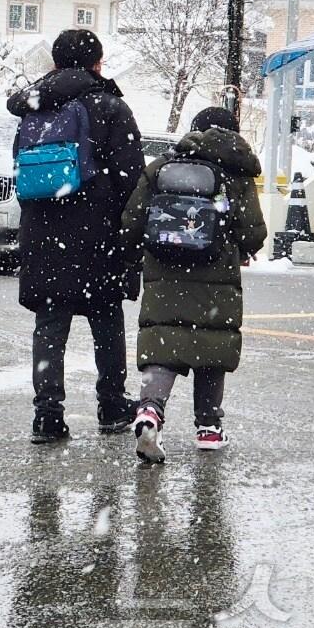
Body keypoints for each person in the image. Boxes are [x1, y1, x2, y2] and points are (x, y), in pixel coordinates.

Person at [7, 28, 145, 444]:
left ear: (55, 63)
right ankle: (112, 404)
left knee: (50, 323)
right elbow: (130, 177)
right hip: (97, 232)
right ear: (97, 63)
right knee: (106, 319)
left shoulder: (34, 106)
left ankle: (47, 415)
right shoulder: (110, 106)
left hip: (43, 230)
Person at [120, 106, 267, 462]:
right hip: (217, 278)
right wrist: (239, 245)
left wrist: (139, 250)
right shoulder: (236, 174)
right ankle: (208, 428)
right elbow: (254, 233)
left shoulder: (162, 167)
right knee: (211, 350)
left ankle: (150, 410)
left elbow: (131, 222)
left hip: (164, 274)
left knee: (163, 347)